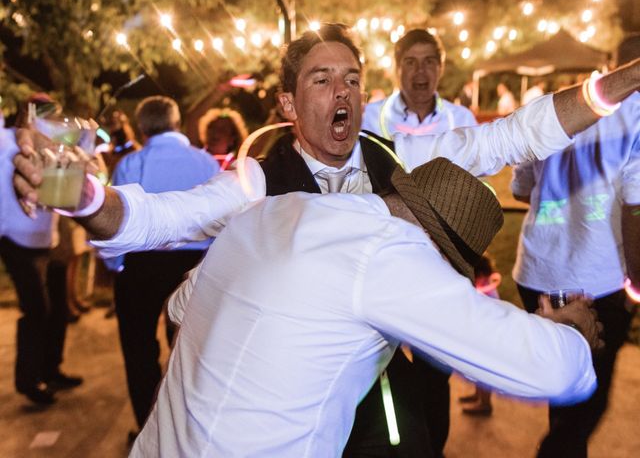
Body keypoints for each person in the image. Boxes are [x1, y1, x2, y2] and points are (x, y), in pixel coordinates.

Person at [11, 22, 640, 454]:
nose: (342, 91)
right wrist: (85, 195)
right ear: (287, 103)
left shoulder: (402, 161)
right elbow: (153, 219)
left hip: (392, 408)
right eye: (321, 79)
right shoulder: (258, 184)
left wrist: (621, 83)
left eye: (352, 78)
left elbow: (515, 136)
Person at [130, 157, 600, 456]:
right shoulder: (392, 254)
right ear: (438, 252)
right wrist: (573, 333)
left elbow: (180, 305)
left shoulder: (281, 207)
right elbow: (554, 370)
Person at [511, 34, 640, 458]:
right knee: (588, 399)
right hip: (597, 281)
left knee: (564, 390)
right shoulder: (637, 112)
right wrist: (636, 287)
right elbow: (635, 209)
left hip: (538, 272)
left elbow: (521, 189)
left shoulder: (555, 108)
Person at [361, 27, 479, 457]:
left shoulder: (461, 122)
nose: (420, 71)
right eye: (410, 61)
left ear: (442, 67)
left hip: (443, 264)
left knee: (435, 373)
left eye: (429, 60)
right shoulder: (370, 118)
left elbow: (471, 194)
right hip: (385, 261)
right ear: (396, 68)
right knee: (381, 369)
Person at [110, 96, 219, 439]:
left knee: (139, 348)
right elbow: (223, 218)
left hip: (142, 262)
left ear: (141, 127)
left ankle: (147, 428)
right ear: (176, 122)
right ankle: (188, 429)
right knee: (192, 350)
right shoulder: (205, 162)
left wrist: (118, 266)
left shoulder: (131, 163)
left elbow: (116, 220)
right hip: (196, 262)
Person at [0, 95, 82, 405]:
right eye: (44, 114)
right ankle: (29, 381)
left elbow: (59, 194)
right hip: (13, 238)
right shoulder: (7, 140)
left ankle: (51, 370)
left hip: (47, 238)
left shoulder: (55, 143)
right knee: (37, 310)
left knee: (57, 309)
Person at [458, 253, 502, 416]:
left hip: (487, 340)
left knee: (483, 375)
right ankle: (478, 397)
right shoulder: (484, 286)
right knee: (477, 373)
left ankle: (485, 404)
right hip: (481, 336)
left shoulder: (486, 294)